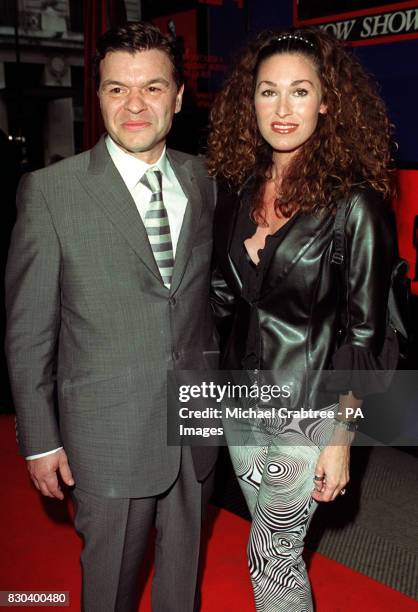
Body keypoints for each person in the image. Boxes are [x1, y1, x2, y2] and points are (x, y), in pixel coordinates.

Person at [5, 21, 217, 612]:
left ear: (177, 97)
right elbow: (28, 332)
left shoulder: (205, 181)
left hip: (196, 421)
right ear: (96, 95)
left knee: (183, 588)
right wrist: (40, 440)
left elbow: (206, 300)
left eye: (152, 87)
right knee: (108, 593)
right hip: (106, 431)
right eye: (116, 89)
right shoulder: (51, 192)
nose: (133, 105)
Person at [208, 27, 397, 611]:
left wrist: (342, 437)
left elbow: (370, 335)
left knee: (272, 552)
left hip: (311, 409)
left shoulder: (354, 204)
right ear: (252, 101)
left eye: (299, 91)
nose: (283, 109)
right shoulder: (238, 188)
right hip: (241, 404)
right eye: (268, 92)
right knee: (274, 552)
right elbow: (220, 298)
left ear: (326, 101)